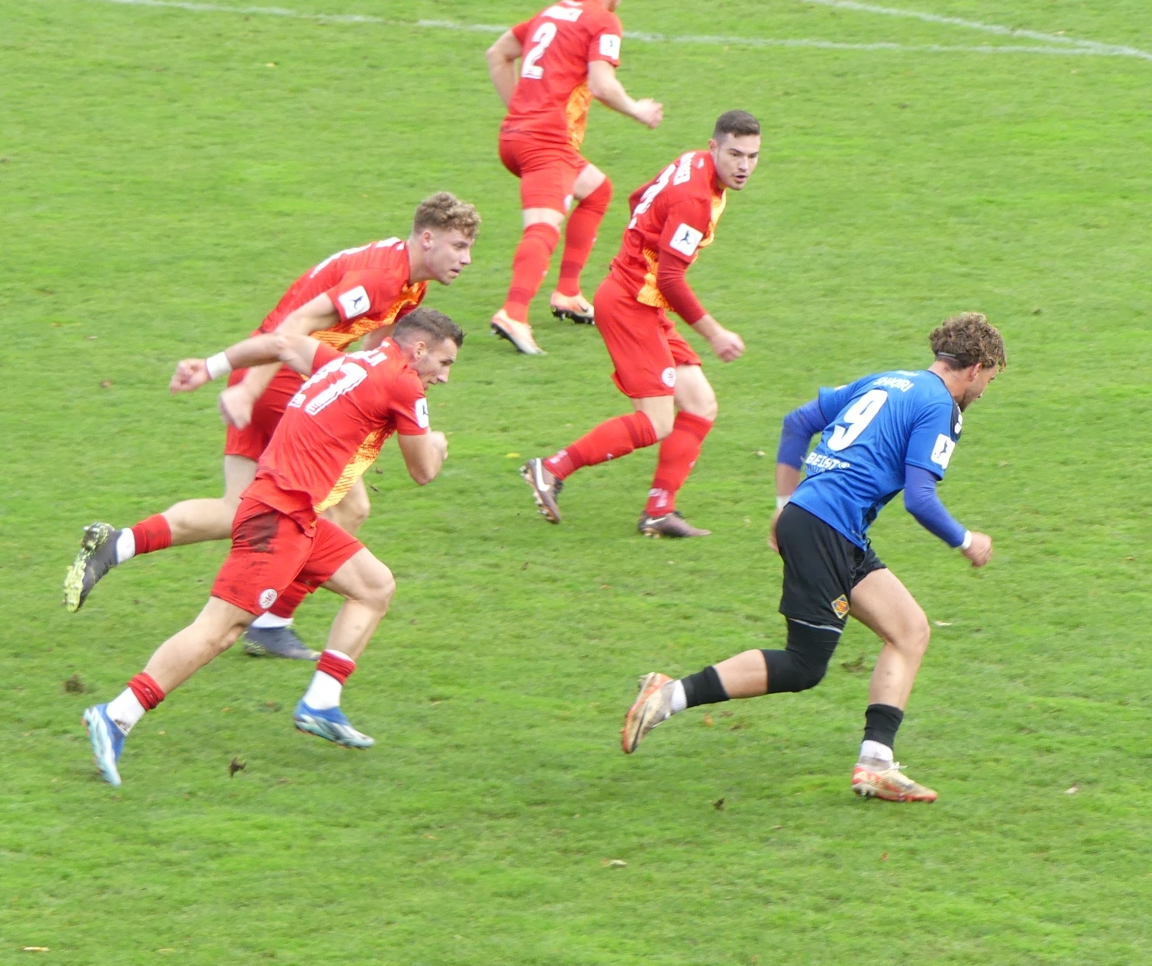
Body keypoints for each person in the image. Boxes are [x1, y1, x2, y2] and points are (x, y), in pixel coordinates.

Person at [63, 193, 477, 658]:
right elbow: (297, 323)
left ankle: (116, 544)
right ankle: (272, 621)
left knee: (235, 509)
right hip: (279, 376)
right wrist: (249, 390)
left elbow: (375, 356)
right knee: (348, 507)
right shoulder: (383, 277)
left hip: (272, 370)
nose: (466, 259)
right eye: (459, 246)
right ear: (427, 238)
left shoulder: (410, 287)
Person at [616, 313, 1006, 802]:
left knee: (909, 630)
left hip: (825, 523)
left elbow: (798, 422)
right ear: (976, 368)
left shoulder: (886, 379)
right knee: (803, 664)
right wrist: (966, 541)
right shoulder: (941, 407)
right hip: (827, 528)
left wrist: (785, 505)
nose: (984, 392)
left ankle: (876, 764)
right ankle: (668, 695)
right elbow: (920, 498)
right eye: (990, 380)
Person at [79, 307, 464, 788]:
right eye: (444, 364)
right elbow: (423, 471)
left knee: (374, 586)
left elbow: (281, 343)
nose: (443, 377)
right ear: (419, 349)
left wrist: (212, 366)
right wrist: (438, 442)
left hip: (295, 513)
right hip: (278, 518)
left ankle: (321, 702)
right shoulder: (404, 384)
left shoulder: (349, 361)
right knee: (220, 631)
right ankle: (117, 714)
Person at [520, 111, 761, 538]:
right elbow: (670, 278)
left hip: (643, 301)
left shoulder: (692, 162)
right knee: (656, 421)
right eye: (735, 154)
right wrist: (715, 333)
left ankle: (659, 511)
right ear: (714, 147)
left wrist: (640, 245)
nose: (743, 166)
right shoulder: (694, 202)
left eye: (752, 156)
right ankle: (551, 468)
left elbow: (639, 198)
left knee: (700, 403)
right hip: (630, 304)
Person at [484, 0, 664, 355]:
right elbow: (601, 84)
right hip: (546, 143)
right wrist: (637, 109)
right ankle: (513, 313)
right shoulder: (603, 21)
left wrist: (519, 109)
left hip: (516, 136)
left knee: (597, 190)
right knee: (543, 226)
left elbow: (498, 54)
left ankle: (567, 292)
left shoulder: (551, 12)